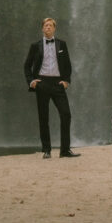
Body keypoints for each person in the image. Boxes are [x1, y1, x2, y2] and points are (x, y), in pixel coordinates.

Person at [23, 17, 79, 159]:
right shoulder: (35, 46)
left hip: (57, 83)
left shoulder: (62, 44)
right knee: (44, 117)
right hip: (42, 83)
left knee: (66, 114)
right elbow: (27, 66)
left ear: (54, 29)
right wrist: (31, 81)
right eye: (46, 25)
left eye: (51, 26)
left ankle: (64, 150)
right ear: (42, 28)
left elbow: (67, 64)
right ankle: (47, 149)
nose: (48, 27)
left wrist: (66, 81)